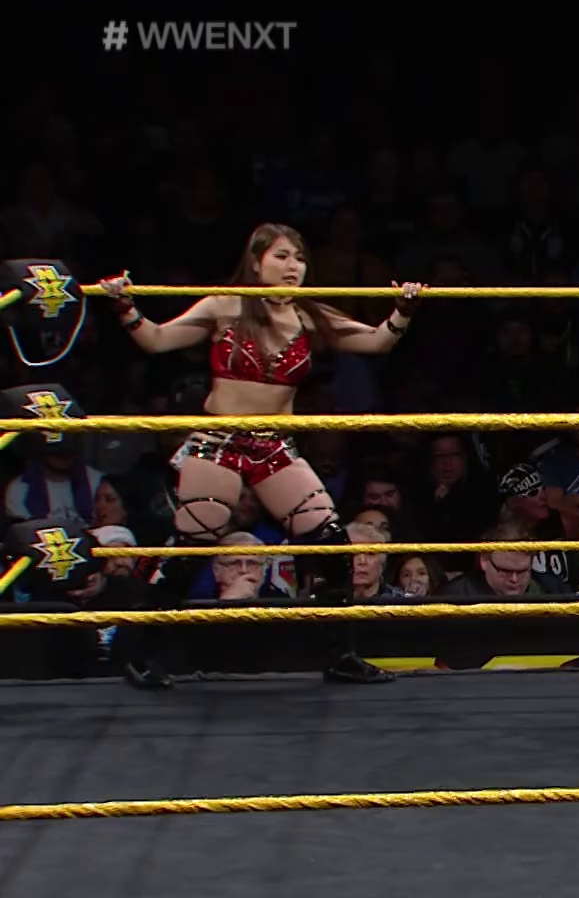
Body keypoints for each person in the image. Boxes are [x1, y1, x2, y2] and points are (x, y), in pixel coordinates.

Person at [98, 222, 423, 688]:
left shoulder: (309, 315)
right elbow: (156, 340)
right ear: (256, 262)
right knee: (193, 547)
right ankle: (139, 652)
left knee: (331, 542)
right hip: (219, 441)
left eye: (300, 258)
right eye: (282, 257)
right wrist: (124, 306)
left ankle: (340, 656)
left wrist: (403, 309)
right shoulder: (225, 305)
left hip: (273, 445)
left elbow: (377, 341)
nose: (294, 267)